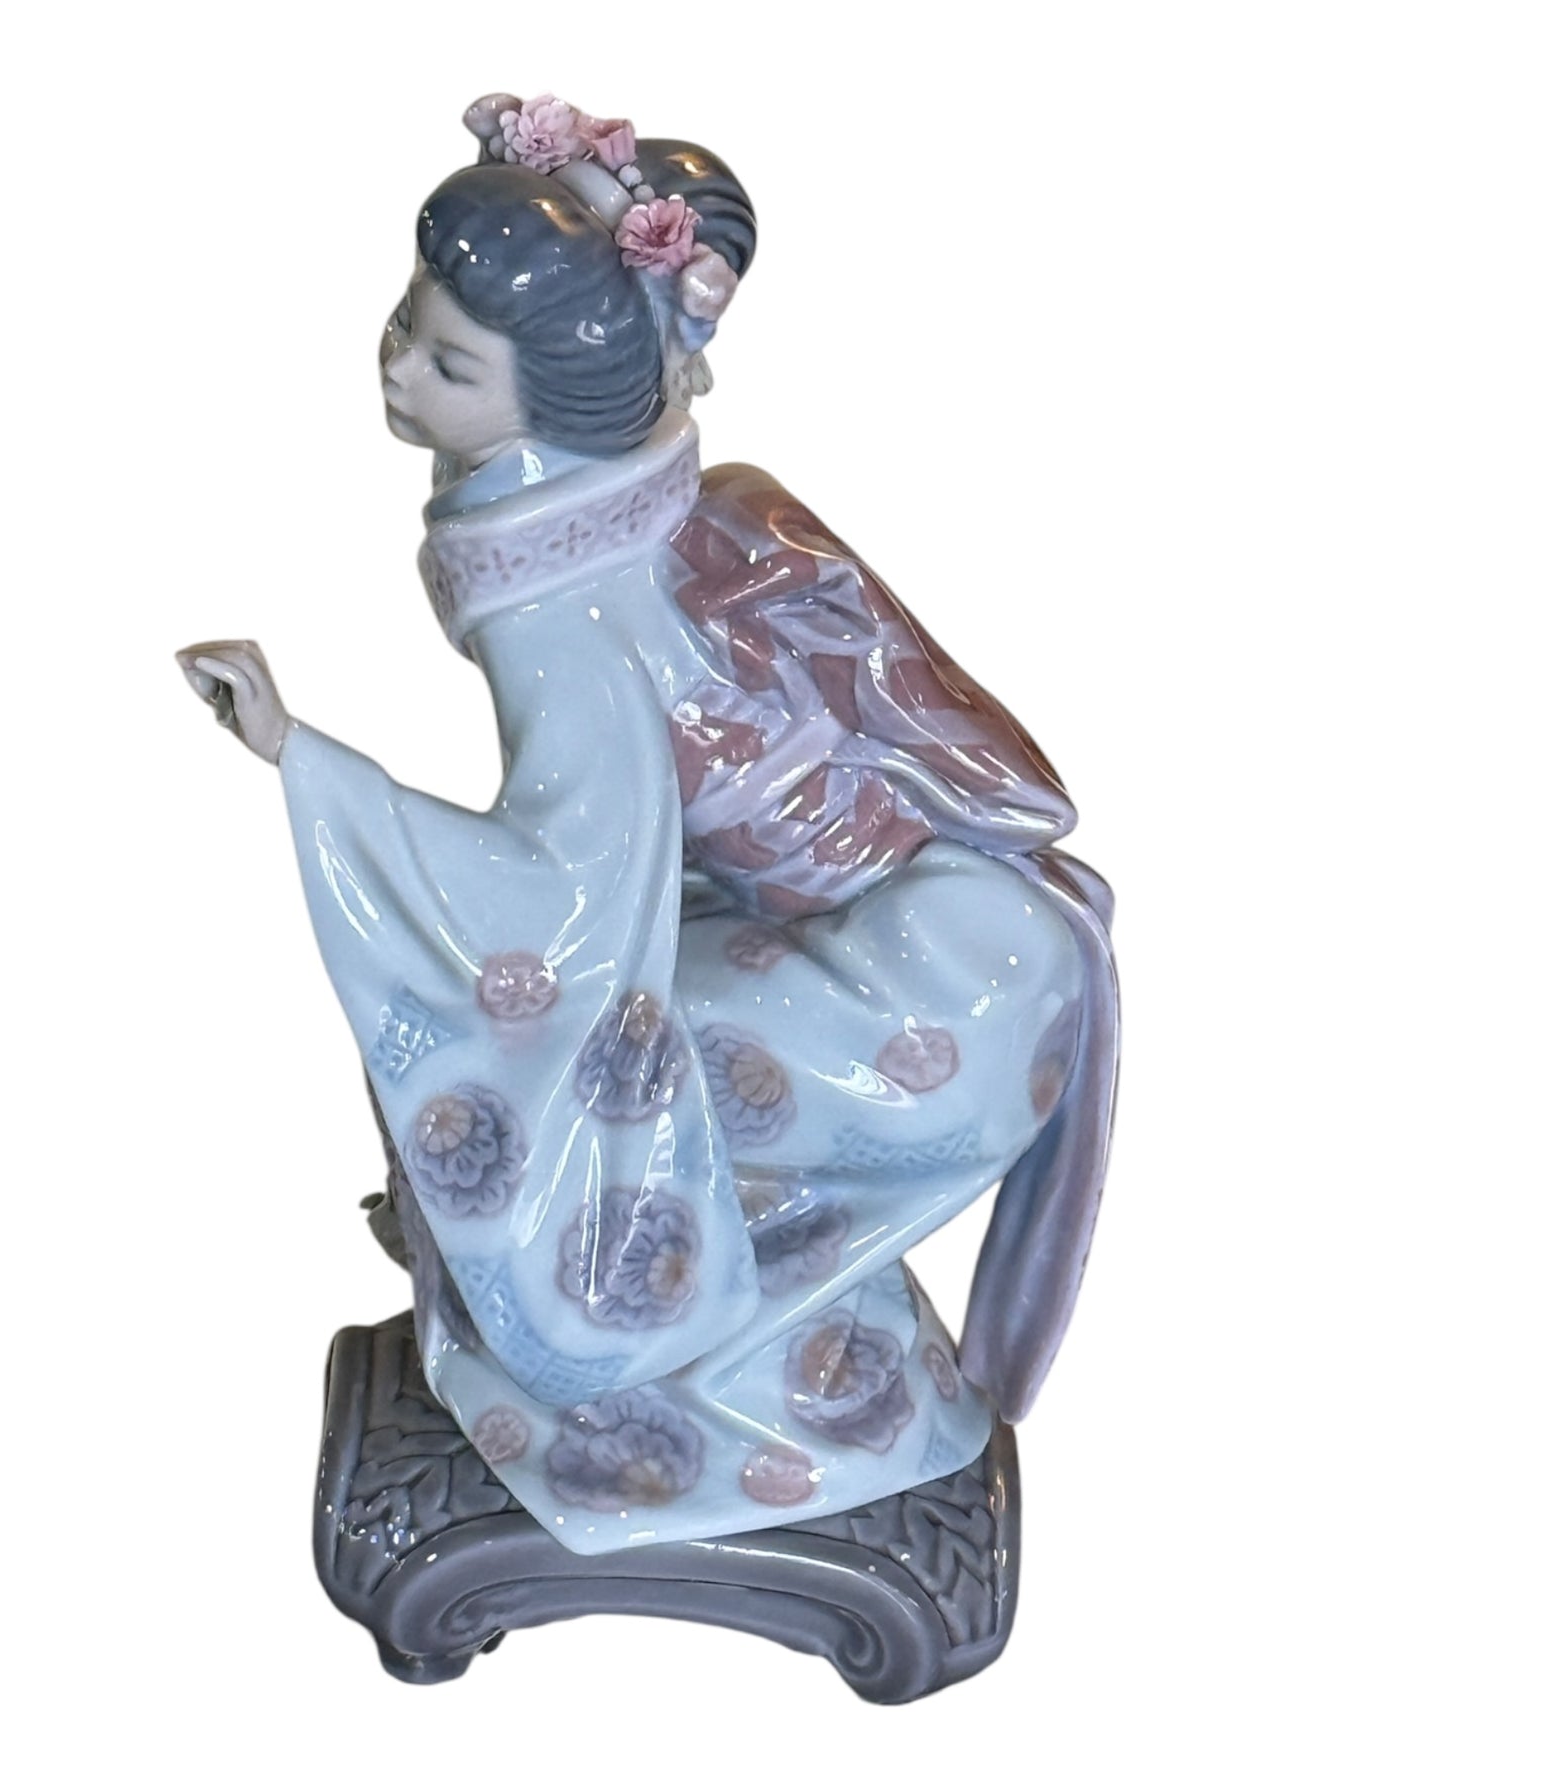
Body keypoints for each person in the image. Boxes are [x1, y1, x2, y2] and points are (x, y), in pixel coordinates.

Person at [177, 94, 1118, 1554]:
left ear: (553, 401)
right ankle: (753, 1366)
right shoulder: (656, 507)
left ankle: (656, 1409)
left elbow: (564, 894)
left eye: (448, 360)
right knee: (530, 1045)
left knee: (505, 1054)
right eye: (408, 322)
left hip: (931, 1002)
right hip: (975, 939)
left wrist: (306, 763)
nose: (399, 366)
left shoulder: (554, 610)